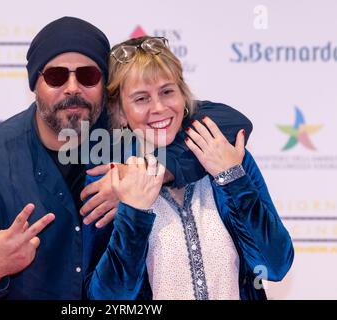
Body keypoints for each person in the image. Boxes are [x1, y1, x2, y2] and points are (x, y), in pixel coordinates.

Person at [0, 17, 253, 300]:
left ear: (105, 87)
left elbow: (231, 122)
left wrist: (149, 175)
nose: (73, 88)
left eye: (87, 75)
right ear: (35, 83)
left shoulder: (122, 122)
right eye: (57, 76)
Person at [83, 36, 294, 300]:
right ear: (120, 111)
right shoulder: (110, 179)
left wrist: (232, 179)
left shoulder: (224, 154)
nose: (159, 108)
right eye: (141, 98)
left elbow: (275, 265)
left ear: (183, 95)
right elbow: (106, 298)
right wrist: (134, 213)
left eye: (167, 92)